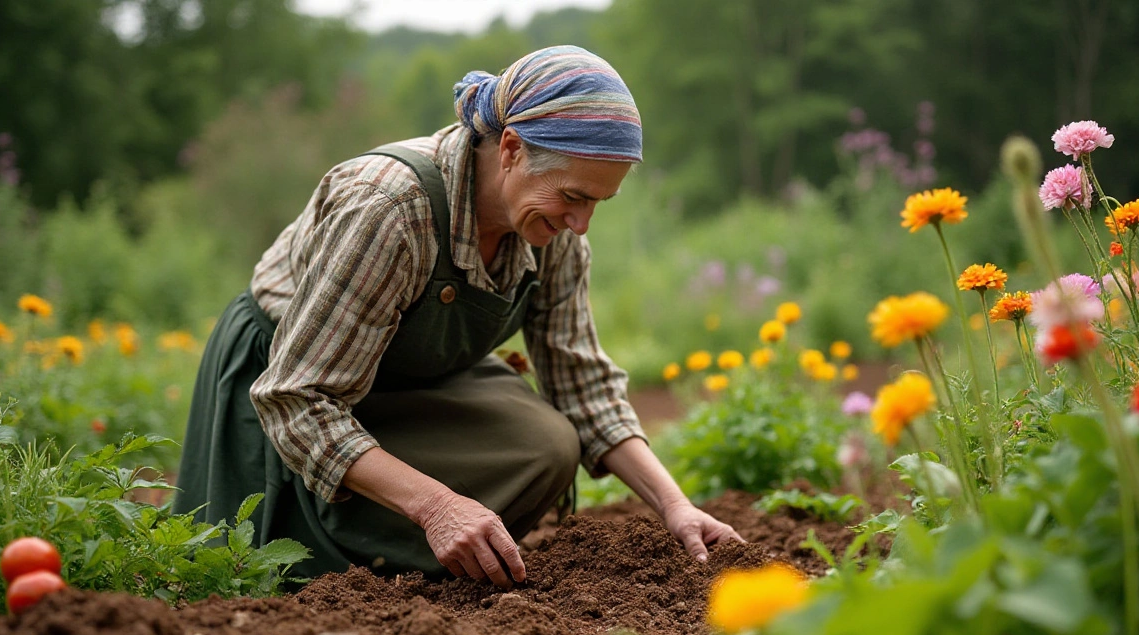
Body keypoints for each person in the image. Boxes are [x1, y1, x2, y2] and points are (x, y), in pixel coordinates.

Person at [174, 45, 742, 589]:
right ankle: (342, 556)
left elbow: (583, 384)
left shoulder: (551, 231)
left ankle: (413, 551)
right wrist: (437, 505)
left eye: (597, 202)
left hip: (408, 377)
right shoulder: (390, 210)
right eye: (573, 196)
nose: (582, 223)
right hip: (290, 374)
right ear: (513, 149)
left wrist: (676, 507)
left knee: (547, 444)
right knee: (263, 570)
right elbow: (297, 397)